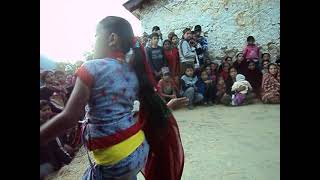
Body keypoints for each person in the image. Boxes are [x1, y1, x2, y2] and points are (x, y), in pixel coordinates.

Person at [40, 16, 184, 180]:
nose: (94, 41)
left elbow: (69, 117)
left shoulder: (91, 68)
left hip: (115, 159)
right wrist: (169, 106)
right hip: (138, 150)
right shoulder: (132, 72)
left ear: (112, 38)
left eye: (96, 35)